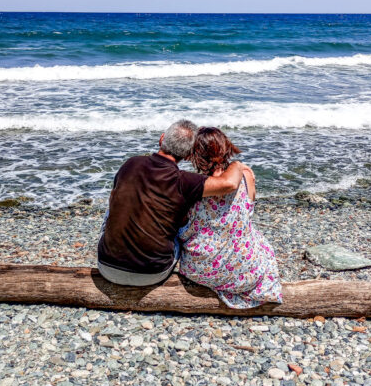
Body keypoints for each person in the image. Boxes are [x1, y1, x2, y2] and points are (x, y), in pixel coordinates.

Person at [97, 120, 247, 286]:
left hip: (106, 266)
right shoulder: (185, 181)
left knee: (118, 201)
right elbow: (229, 184)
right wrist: (237, 164)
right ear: (190, 155)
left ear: (162, 139)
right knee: (179, 230)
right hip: (151, 273)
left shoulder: (130, 164)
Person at [178, 127, 282, 309]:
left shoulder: (193, 185)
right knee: (261, 242)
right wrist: (239, 166)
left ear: (195, 154)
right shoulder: (246, 176)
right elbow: (248, 211)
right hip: (244, 271)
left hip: (199, 270)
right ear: (226, 148)